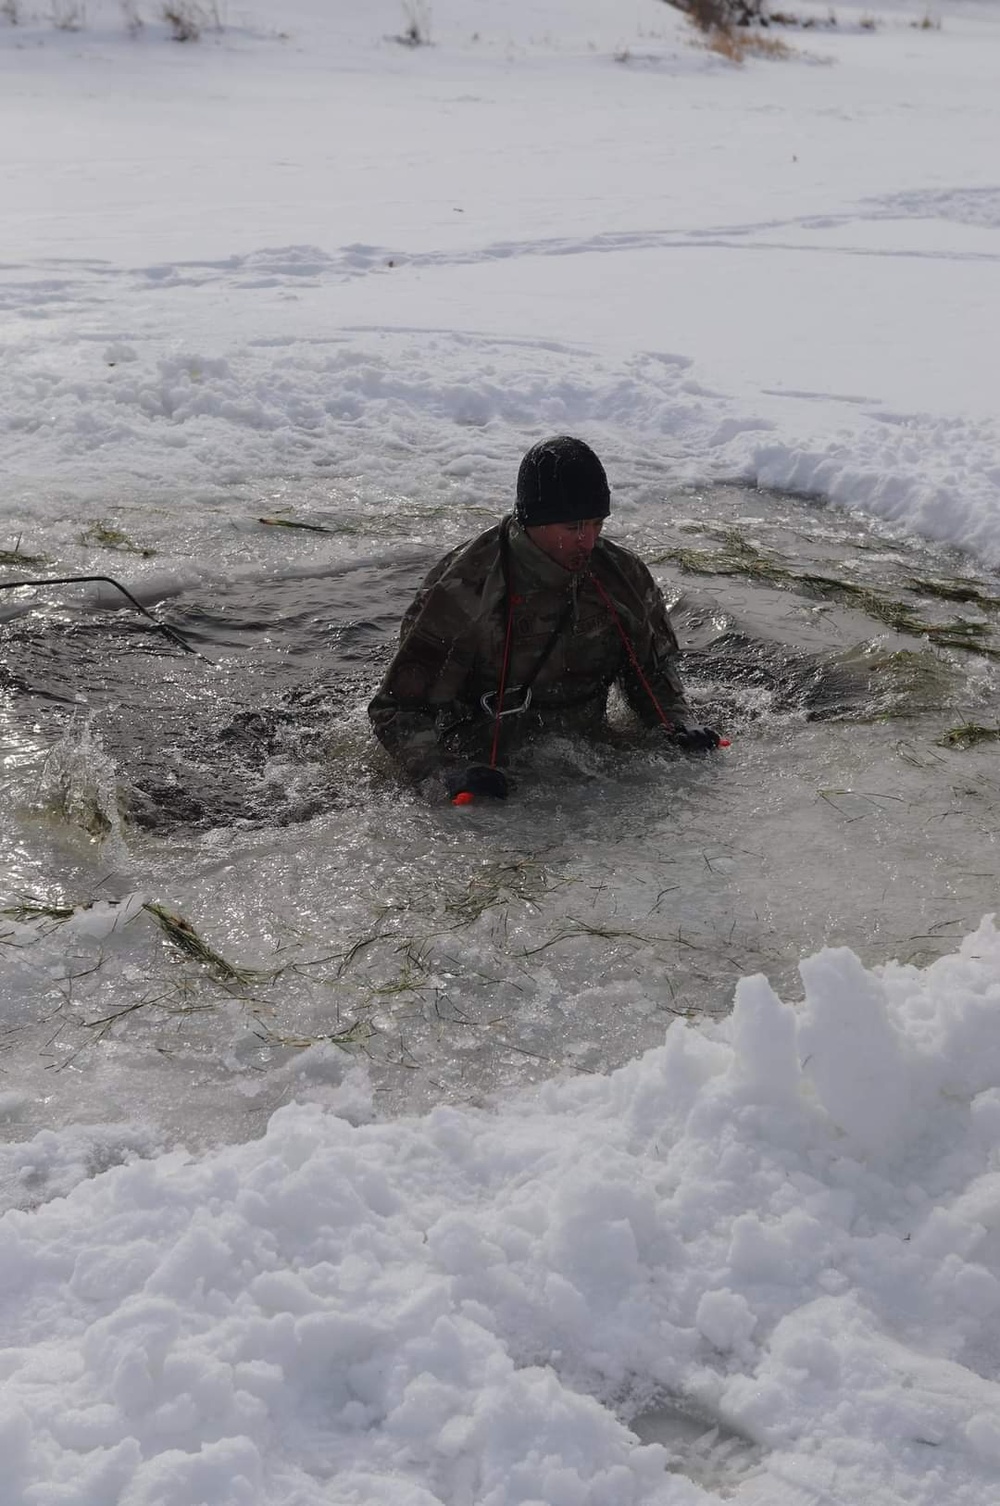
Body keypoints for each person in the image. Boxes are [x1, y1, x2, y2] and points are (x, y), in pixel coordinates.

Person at [368, 435, 722, 799]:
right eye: (573, 529)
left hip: (587, 764)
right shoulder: (466, 589)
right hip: (488, 767)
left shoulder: (622, 576)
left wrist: (677, 724)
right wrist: (443, 773)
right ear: (532, 522)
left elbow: (653, 673)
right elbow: (397, 710)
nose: (588, 541)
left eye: (597, 524)